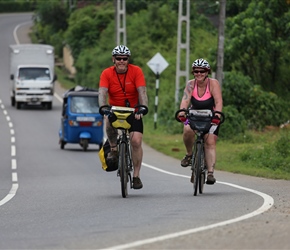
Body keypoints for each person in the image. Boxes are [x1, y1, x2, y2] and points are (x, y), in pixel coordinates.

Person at [98, 45, 148, 189]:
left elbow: (142, 92)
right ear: (113, 60)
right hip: (115, 110)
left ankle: (136, 176)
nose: (121, 61)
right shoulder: (107, 73)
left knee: (136, 141)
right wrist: (103, 108)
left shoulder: (136, 71)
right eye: (118, 58)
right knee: (108, 118)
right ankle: (114, 149)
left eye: (124, 59)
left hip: (133, 111)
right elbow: (102, 93)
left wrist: (142, 108)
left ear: (128, 60)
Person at [178, 58, 223, 185]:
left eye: (202, 71)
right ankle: (189, 154)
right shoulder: (190, 84)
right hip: (194, 115)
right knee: (187, 129)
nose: (199, 74)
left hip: (210, 117)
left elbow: (218, 102)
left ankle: (210, 173)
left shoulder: (213, 83)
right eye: (196, 72)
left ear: (207, 72)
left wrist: (217, 115)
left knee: (210, 141)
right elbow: (185, 100)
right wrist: (182, 111)